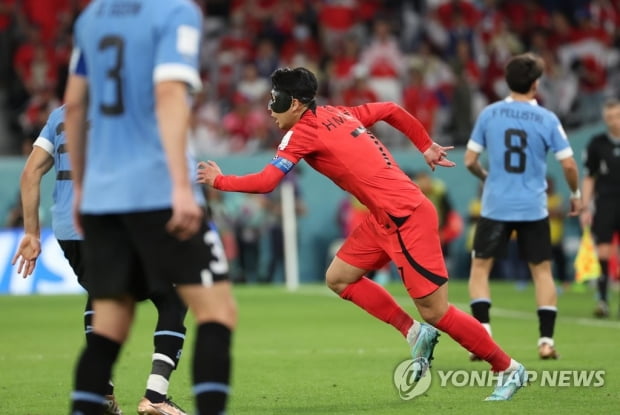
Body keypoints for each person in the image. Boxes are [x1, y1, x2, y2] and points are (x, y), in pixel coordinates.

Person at [198, 66, 527, 401]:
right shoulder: (339, 112)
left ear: (294, 103)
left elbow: (267, 182)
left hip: (406, 218)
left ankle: (508, 368)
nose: (270, 108)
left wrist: (220, 181)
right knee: (339, 277)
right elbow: (390, 109)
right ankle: (414, 333)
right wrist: (425, 145)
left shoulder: (302, 133)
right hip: (384, 219)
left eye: (274, 100)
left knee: (436, 311)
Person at [63, 2, 237, 414]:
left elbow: (73, 105)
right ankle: (163, 399)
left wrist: (84, 187)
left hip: (103, 198)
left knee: (107, 329)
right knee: (216, 310)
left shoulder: (91, 18)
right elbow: (169, 92)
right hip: (157, 190)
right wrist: (180, 184)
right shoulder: (175, 12)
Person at [12, 105, 190, 415]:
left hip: (69, 231)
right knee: (173, 295)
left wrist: (31, 233)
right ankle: (155, 398)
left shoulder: (59, 116)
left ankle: (102, 395)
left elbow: (30, 173)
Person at [464, 53, 582, 361]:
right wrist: (576, 193)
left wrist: (486, 177)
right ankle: (545, 341)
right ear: (536, 83)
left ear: (507, 81)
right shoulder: (547, 118)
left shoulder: (490, 114)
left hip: (495, 205)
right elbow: (568, 165)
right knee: (542, 272)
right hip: (533, 207)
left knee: (480, 269)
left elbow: (470, 161)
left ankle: (483, 336)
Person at [580, 98, 620, 318]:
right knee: (604, 251)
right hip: (605, 202)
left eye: (616, 116)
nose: (613, 121)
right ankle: (603, 300)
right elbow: (589, 177)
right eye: (609, 118)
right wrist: (585, 207)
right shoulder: (597, 143)